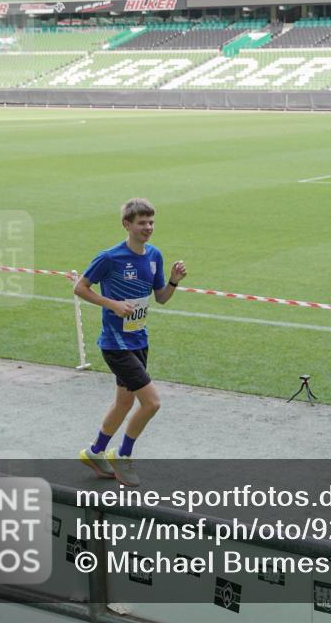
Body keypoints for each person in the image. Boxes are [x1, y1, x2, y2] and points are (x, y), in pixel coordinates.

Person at [74, 198, 186, 487]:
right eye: (142, 223)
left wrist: (173, 281)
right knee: (152, 403)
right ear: (127, 224)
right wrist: (111, 304)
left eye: (151, 222)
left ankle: (94, 452)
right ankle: (122, 455)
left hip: (139, 340)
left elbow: (160, 297)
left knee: (124, 403)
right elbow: (80, 287)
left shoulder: (154, 256)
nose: (148, 228)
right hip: (115, 344)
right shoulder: (110, 257)